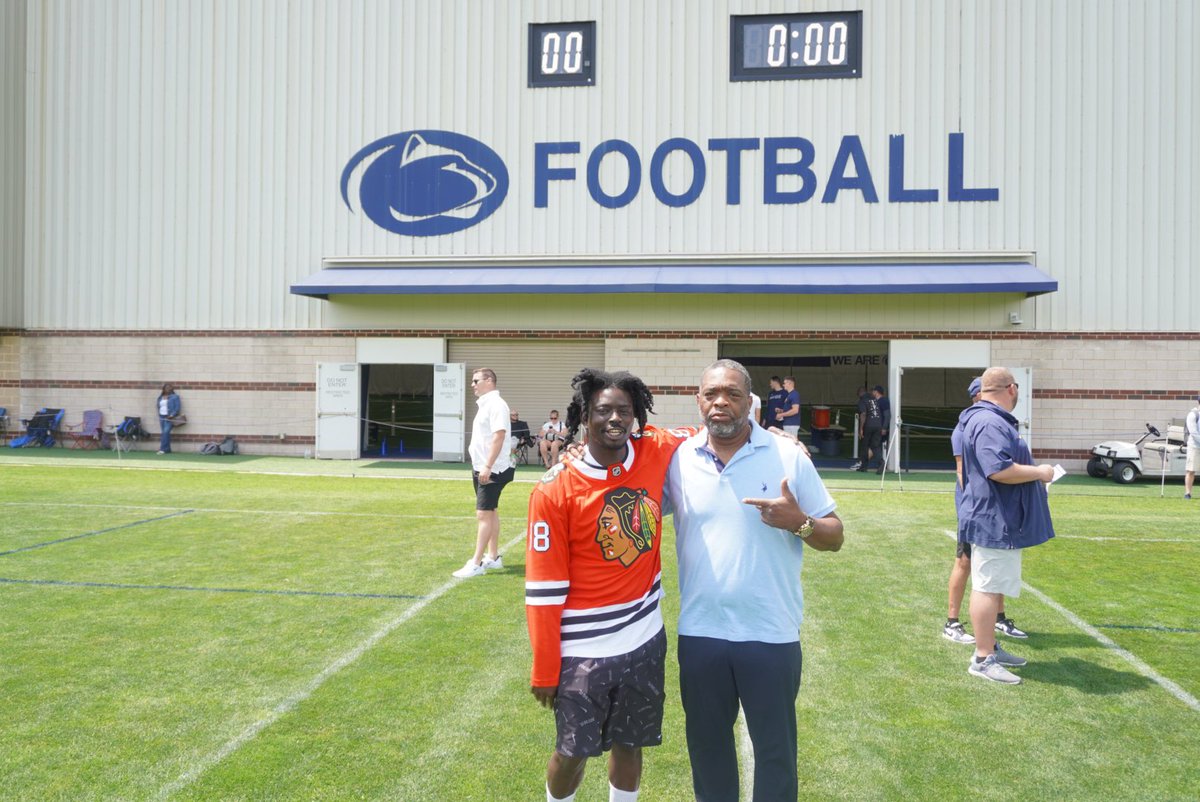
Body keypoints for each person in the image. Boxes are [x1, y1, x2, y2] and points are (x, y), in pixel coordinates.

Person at [666, 359, 844, 802]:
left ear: (750, 401)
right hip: (701, 633)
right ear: (699, 401)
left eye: (732, 393)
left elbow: (834, 535)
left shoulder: (787, 455)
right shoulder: (678, 459)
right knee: (707, 750)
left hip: (770, 633)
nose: (721, 402)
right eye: (711, 394)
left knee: (775, 753)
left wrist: (798, 522)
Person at [525, 368, 692, 802]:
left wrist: (770, 434)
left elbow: (705, 428)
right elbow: (543, 590)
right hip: (584, 651)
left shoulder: (653, 448)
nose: (614, 419)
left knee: (630, 744)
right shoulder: (554, 488)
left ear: (637, 416)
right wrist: (545, 667)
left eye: (624, 410)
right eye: (604, 411)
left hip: (644, 639)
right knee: (571, 752)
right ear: (584, 417)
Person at [959, 367, 1056, 684]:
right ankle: (983, 658)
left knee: (993, 583)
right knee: (987, 587)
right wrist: (1039, 472)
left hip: (996, 516)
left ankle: (990, 648)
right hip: (993, 518)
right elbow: (998, 470)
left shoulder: (984, 419)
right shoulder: (989, 421)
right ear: (1011, 388)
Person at [943, 378, 1023, 644]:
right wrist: (973, 508)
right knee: (964, 563)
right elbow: (961, 472)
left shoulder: (991, 422)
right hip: (975, 510)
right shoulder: (966, 428)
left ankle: (999, 618)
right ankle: (952, 622)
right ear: (979, 395)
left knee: (995, 565)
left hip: (990, 510)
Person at [452, 368, 514, 578]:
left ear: (489, 381)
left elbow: (499, 436)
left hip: (492, 468)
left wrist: (488, 466)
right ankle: (493, 557)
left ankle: (476, 563)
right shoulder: (486, 404)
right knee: (491, 511)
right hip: (482, 466)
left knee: (483, 514)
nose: (472, 384)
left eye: (475, 380)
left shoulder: (496, 404)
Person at [857, 386, 883, 472]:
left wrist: (861, 428)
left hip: (868, 425)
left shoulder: (862, 400)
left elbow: (863, 414)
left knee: (865, 446)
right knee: (875, 445)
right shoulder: (874, 399)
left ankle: (864, 467)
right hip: (878, 424)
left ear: (860, 393)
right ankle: (881, 462)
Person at [155, 383, 181, 455]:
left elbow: (177, 408)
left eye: (170, 387)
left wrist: (172, 415)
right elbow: (158, 406)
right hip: (162, 417)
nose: (168, 389)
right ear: (163, 389)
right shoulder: (160, 397)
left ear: (172, 389)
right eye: (166, 387)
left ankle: (162, 449)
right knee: (164, 433)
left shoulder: (175, 397)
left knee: (165, 432)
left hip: (169, 417)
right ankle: (168, 449)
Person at [1185, 396, 1200, 500]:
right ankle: (1188, 493)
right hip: (1195, 446)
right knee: (1191, 470)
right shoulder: (1193, 414)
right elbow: (1193, 433)